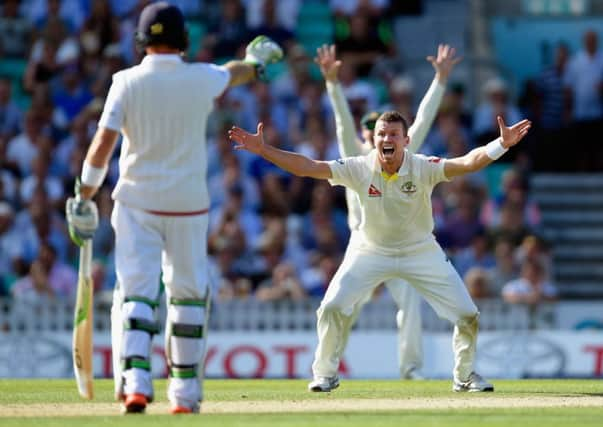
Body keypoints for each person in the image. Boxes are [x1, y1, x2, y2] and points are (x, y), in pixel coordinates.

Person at [65, 2, 283, 414]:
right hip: (187, 204)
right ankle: (183, 392)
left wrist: (85, 194)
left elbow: (101, 148)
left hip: (136, 201)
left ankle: (135, 382)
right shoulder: (201, 77)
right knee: (187, 294)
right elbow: (232, 72)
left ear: (142, 40)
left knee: (136, 291)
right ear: (184, 40)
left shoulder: (124, 82)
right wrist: (254, 64)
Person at [229, 111, 531, 393]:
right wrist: (266, 150)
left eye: (394, 135)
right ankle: (324, 374)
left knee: (467, 315)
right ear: (374, 140)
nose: (387, 139)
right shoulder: (360, 167)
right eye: (381, 134)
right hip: (369, 250)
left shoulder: (424, 166)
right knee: (332, 308)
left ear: (406, 140)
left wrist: (501, 144)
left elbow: (466, 162)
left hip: (420, 251)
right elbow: (309, 167)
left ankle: (464, 376)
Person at [315, 43, 460, 379]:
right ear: (366, 134)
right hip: (364, 244)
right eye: (370, 130)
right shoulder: (356, 159)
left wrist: (439, 80)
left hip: (404, 244)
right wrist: (333, 84)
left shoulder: (404, 155)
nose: (374, 136)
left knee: (409, 303)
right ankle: (328, 368)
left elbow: (421, 121)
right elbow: (340, 122)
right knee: (343, 309)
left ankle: (410, 369)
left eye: (377, 129)